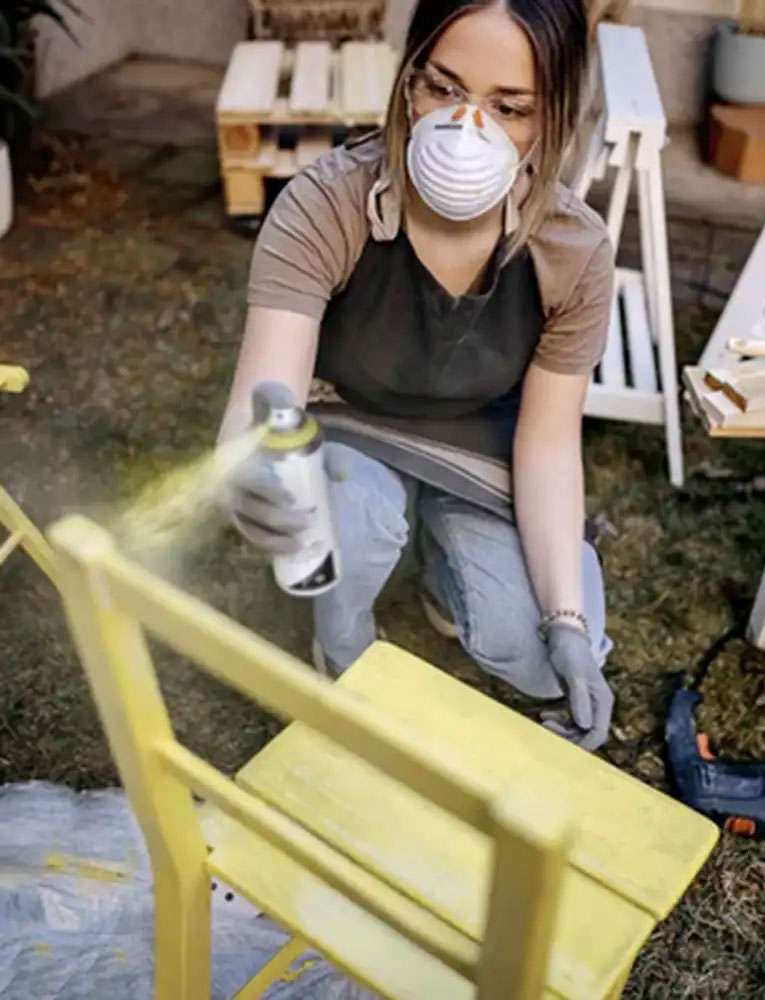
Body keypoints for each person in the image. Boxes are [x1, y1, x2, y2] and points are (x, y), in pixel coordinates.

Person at [218, 0, 617, 750]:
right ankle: (341, 647)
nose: (467, 130)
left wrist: (565, 620)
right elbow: (263, 397)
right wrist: (253, 470)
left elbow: (548, 443)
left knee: (545, 661)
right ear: (408, 83)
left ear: (554, 119)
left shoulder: (573, 250)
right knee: (349, 512)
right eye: (444, 88)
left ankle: (443, 567)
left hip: (478, 450)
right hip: (350, 427)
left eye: (509, 108)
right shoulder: (327, 204)